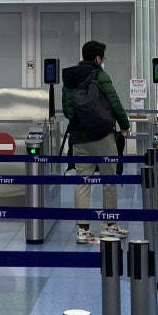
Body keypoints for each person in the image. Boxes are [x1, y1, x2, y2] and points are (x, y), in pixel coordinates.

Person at [62, 40, 131, 244]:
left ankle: (83, 230)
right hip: (102, 136)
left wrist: (80, 123)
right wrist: (124, 124)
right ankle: (109, 226)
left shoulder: (70, 77)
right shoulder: (100, 75)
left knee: (82, 182)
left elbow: (67, 109)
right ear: (98, 58)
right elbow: (114, 101)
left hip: (79, 138)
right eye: (103, 57)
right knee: (109, 181)